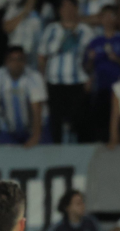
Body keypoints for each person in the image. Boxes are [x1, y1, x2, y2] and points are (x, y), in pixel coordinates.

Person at [39, 0, 97, 142]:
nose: (68, 10)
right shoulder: (51, 30)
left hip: (78, 83)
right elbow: (41, 56)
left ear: (76, 9)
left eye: (71, 7)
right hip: (54, 82)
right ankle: (57, 155)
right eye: (64, 7)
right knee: (56, 122)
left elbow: (93, 60)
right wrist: (43, 79)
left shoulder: (86, 31)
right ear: (60, 11)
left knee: (80, 122)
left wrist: (90, 77)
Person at [0, 46, 48, 147]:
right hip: (7, 130)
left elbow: (37, 109)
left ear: (25, 61)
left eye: (19, 59)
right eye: (12, 60)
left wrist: (35, 136)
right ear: (6, 61)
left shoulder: (34, 77)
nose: (16, 63)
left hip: (32, 129)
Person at [86, 5, 120, 138]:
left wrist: (116, 59)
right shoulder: (95, 41)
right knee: (100, 119)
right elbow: (88, 67)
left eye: (111, 16)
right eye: (104, 16)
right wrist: (90, 59)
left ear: (116, 19)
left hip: (118, 85)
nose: (107, 19)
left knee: (118, 117)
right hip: (100, 86)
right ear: (100, 19)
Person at [3, 0, 44, 68]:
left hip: (33, 57)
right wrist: (25, 12)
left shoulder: (44, 10)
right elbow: (7, 28)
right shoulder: (14, 8)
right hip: (15, 56)